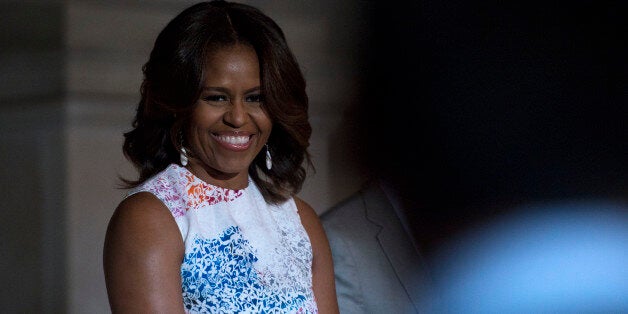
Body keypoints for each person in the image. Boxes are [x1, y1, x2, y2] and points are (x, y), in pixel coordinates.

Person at [102, 1, 339, 313]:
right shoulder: (150, 218)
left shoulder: (300, 220)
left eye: (255, 98)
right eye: (216, 98)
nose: (238, 118)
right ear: (178, 104)